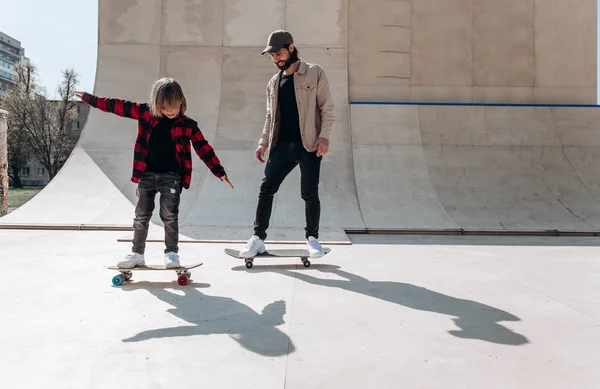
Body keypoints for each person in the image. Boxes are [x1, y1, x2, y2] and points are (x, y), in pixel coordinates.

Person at [74, 78, 233, 268]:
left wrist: (219, 171)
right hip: (146, 174)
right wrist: (89, 99)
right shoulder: (146, 113)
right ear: (157, 104)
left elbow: (203, 148)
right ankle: (137, 253)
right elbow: (116, 106)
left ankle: (172, 254)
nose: (169, 111)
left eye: (173, 106)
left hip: (171, 177)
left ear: (181, 101)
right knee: (141, 215)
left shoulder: (188, 125)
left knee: (169, 215)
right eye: (164, 107)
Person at [239, 30, 335, 259]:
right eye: (272, 56)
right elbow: (269, 116)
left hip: (309, 144)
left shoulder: (314, 72)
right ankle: (258, 239)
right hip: (280, 146)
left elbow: (327, 109)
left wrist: (325, 136)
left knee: (309, 193)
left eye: (279, 54)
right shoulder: (273, 83)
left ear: (291, 48)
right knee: (266, 189)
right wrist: (263, 142)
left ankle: (313, 240)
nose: (276, 60)